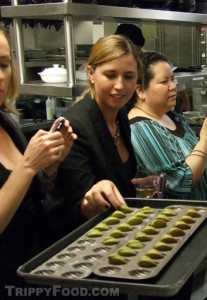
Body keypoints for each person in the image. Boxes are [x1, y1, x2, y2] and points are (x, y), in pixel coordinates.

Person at [0, 26, 77, 298]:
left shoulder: (7, 123)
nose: (0, 76)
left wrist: (50, 166)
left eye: (4, 64)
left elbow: (29, 198)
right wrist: (28, 166)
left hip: (31, 271)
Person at [43, 34, 141, 245]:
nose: (120, 86)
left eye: (129, 76)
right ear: (91, 74)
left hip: (119, 235)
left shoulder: (121, 116)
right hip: (86, 243)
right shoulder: (76, 126)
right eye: (110, 75)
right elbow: (75, 207)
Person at [127, 51, 207, 201]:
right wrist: (204, 141)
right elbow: (180, 181)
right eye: (164, 82)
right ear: (140, 91)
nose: (173, 86)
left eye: (173, 79)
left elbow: (201, 158)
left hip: (202, 213)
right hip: (179, 219)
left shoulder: (173, 116)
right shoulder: (140, 127)